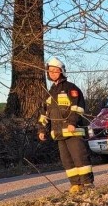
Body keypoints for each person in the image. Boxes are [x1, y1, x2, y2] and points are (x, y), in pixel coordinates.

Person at [37, 57, 94, 193]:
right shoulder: (49, 93)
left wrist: (72, 123)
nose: (52, 73)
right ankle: (75, 184)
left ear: (61, 71)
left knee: (80, 157)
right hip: (58, 133)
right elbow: (44, 114)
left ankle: (87, 184)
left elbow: (78, 107)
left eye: (55, 71)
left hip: (73, 132)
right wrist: (42, 130)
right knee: (67, 161)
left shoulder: (71, 89)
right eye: (50, 71)